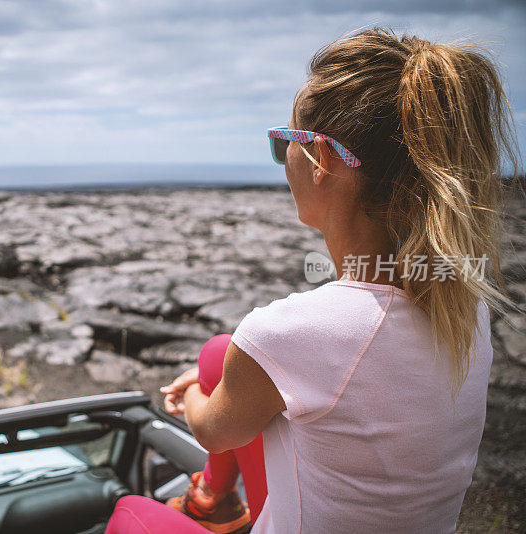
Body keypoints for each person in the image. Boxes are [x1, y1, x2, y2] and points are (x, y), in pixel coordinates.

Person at [105, 26, 521, 533]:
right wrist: (227, 378)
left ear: (321, 159)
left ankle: (212, 498)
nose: (283, 162)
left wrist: (189, 396)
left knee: (129, 512)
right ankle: (215, 499)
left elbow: (210, 432)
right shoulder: (464, 304)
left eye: (284, 144)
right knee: (220, 354)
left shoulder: (297, 332)